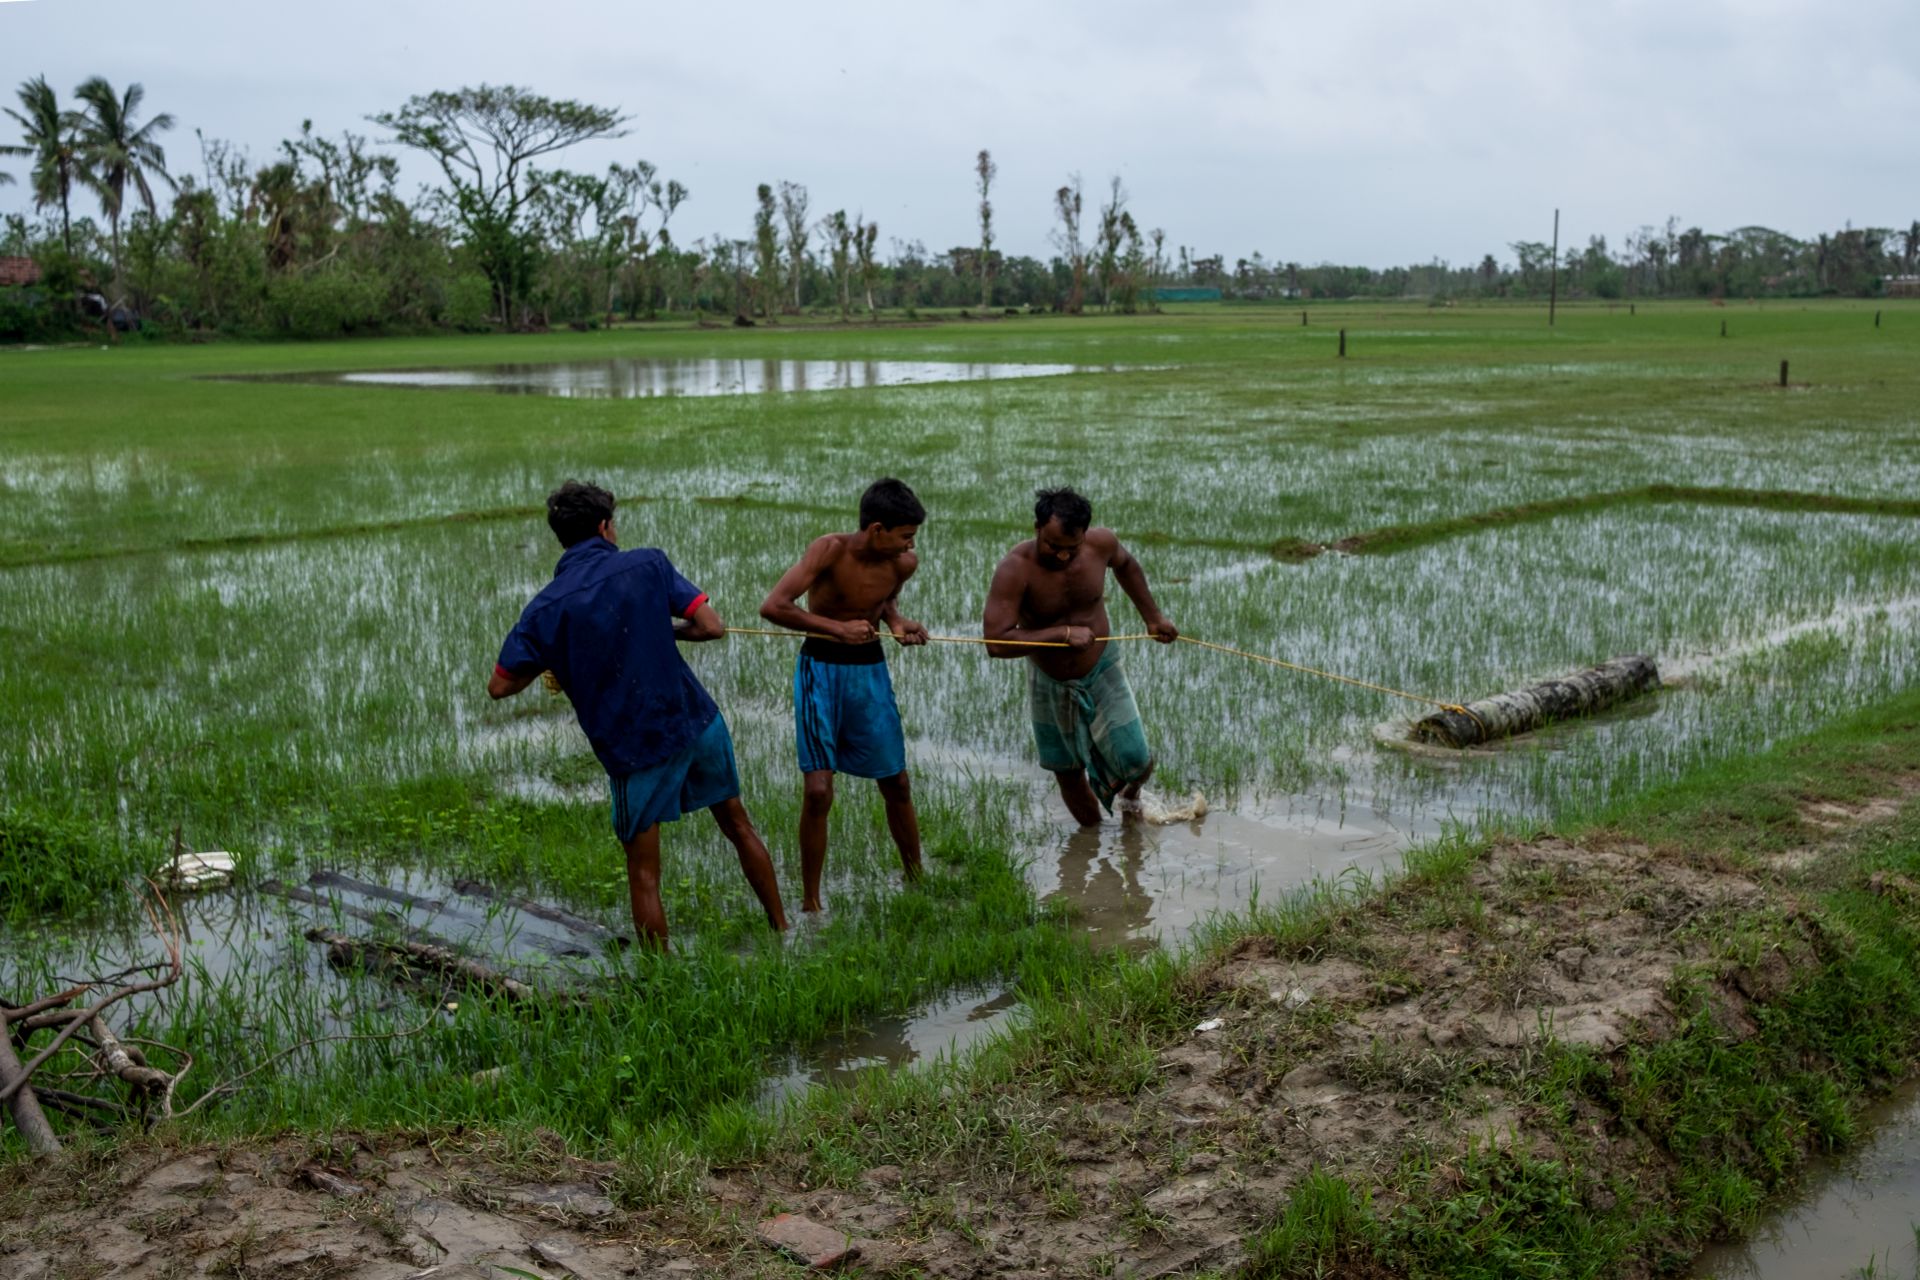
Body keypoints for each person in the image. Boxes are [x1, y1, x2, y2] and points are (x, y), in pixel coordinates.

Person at [488, 480, 786, 950]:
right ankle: (782, 931)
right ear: (605, 527)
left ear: (562, 537)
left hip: (634, 747)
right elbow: (712, 627)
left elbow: (500, 686)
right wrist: (667, 632)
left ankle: (659, 981)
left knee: (644, 873)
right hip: (696, 720)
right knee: (738, 824)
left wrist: (557, 657)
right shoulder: (648, 562)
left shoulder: (544, 609)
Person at [760, 478, 929, 912]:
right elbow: (774, 605)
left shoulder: (903, 564)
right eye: (904, 536)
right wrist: (838, 628)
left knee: (897, 781)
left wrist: (896, 623)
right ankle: (811, 902)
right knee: (818, 791)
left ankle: (917, 879)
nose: (910, 546)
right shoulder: (829, 550)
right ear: (876, 530)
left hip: (869, 672)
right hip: (820, 671)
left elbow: (886, 600)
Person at [982, 486, 1178, 824]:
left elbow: (1127, 566)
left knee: (1137, 758)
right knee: (1067, 768)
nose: (1061, 555)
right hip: (1050, 677)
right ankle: (1093, 845)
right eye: (1053, 546)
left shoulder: (1101, 545)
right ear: (1037, 528)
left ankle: (1130, 797)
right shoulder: (1015, 568)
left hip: (1101, 663)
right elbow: (995, 643)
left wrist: (1153, 617)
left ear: (1085, 535)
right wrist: (1061, 634)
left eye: (1070, 549)